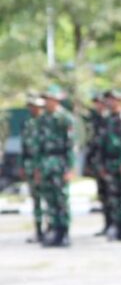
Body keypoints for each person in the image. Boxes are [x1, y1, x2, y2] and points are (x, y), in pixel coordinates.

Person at [38, 85, 75, 247]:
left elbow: (71, 145)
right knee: (50, 199)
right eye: (46, 99)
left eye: (51, 99)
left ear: (57, 100)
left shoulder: (65, 118)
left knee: (61, 199)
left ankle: (64, 232)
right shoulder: (42, 119)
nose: (48, 102)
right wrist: (38, 167)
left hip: (60, 162)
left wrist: (70, 167)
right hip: (46, 162)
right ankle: (54, 231)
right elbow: (38, 144)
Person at [100, 89, 121, 242]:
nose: (111, 102)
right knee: (113, 196)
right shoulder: (106, 119)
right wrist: (101, 164)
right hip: (110, 162)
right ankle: (116, 226)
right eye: (109, 99)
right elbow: (101, 143)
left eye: (114, 99)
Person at [84, 91, 111, 236]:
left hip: (110, 162)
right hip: (98, 162)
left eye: (100, 103)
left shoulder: (110, 119)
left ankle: (117, 225)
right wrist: (89, 163)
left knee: (114, 195)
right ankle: (108, 224)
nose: (98, 106)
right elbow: (91, 143)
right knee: (103, 195)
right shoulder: (94, 120)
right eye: (96, 103)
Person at [20, 92, 45, 244]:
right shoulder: (27, 123)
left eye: (36, 106)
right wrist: (22, 165)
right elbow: (24, 146)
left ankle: (52, 228)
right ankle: (39, 230)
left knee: (49, 198)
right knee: (36, 199)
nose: (33, 109)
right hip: (30, 164)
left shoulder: (46, 122)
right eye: (31, 106)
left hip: (45, 165)